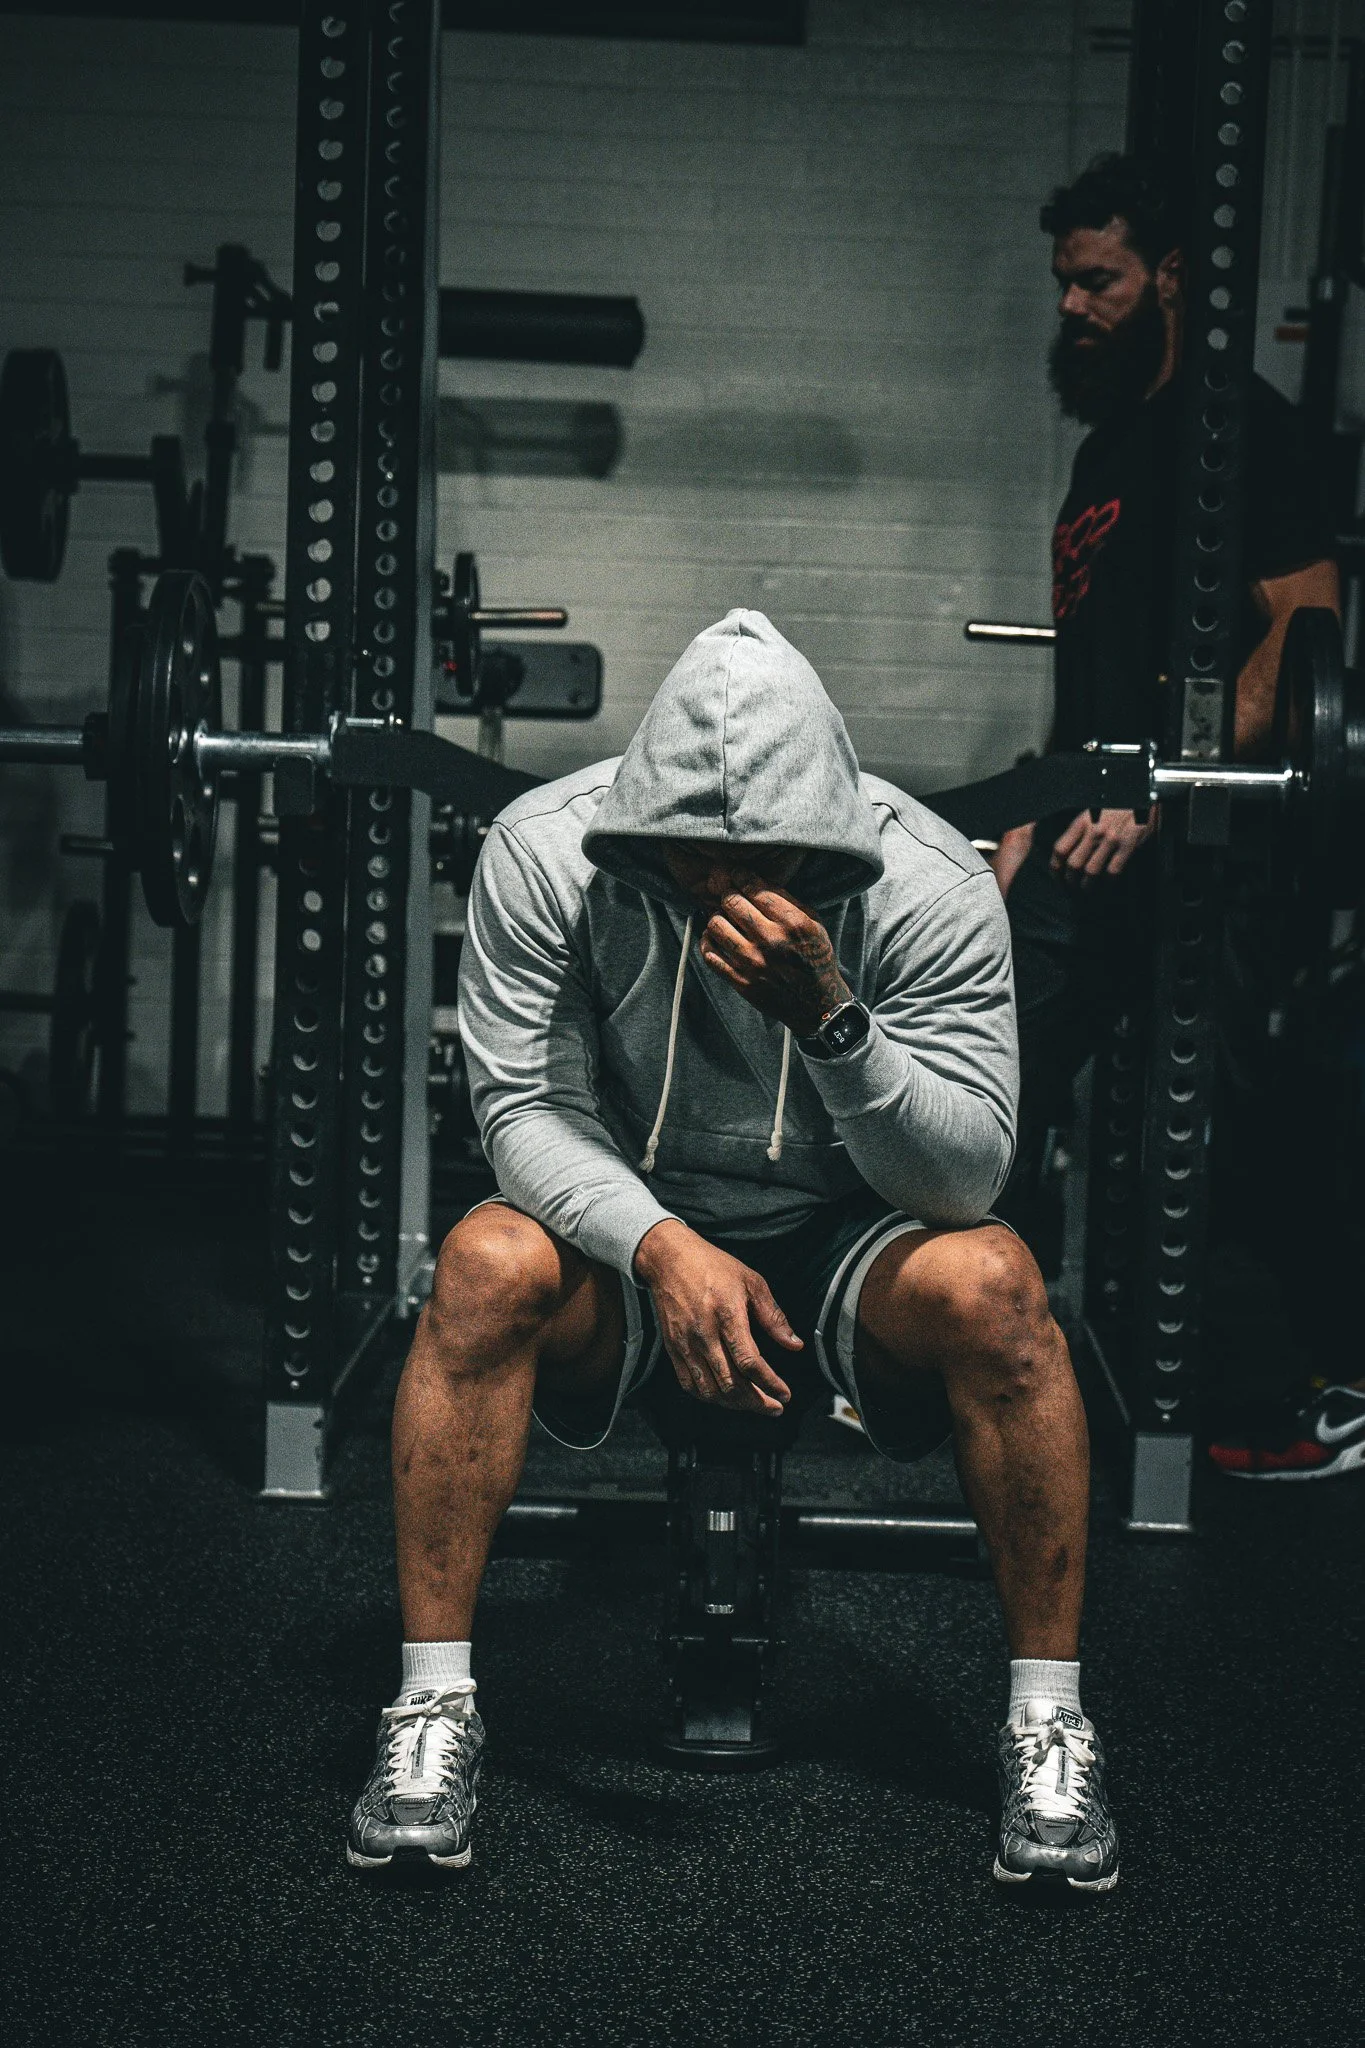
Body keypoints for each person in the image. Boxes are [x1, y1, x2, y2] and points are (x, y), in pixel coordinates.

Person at [346, 609, 1118, 1891]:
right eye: (690, 858)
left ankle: (1048, 1716)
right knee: (482, 1264)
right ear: (645, 819)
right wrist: (658, 1243)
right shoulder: (545, 856)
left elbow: (971, 1173)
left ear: (828, 836)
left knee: (1000, 1286)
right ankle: (431, 1710)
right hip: (628, 1223)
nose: (723, 886)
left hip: (847, 1226)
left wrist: (836, 1024)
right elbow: (524, 1114)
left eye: (768, 859)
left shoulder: (928, 882)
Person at [987, 154, 1363, 1465]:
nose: (1074, 307)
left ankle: (1303, 1393)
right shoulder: (1104, 449)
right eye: (1065, 283)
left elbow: (1305, 631)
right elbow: (1088, 668)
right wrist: (1025, 821)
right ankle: (986, 1352)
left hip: (1195, 847)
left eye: (1098, 280)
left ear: (1171, 278)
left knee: (1198, 1139)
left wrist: (1164, 782)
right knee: (991, 1089)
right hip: (1079, 834)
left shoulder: (1243, 428)